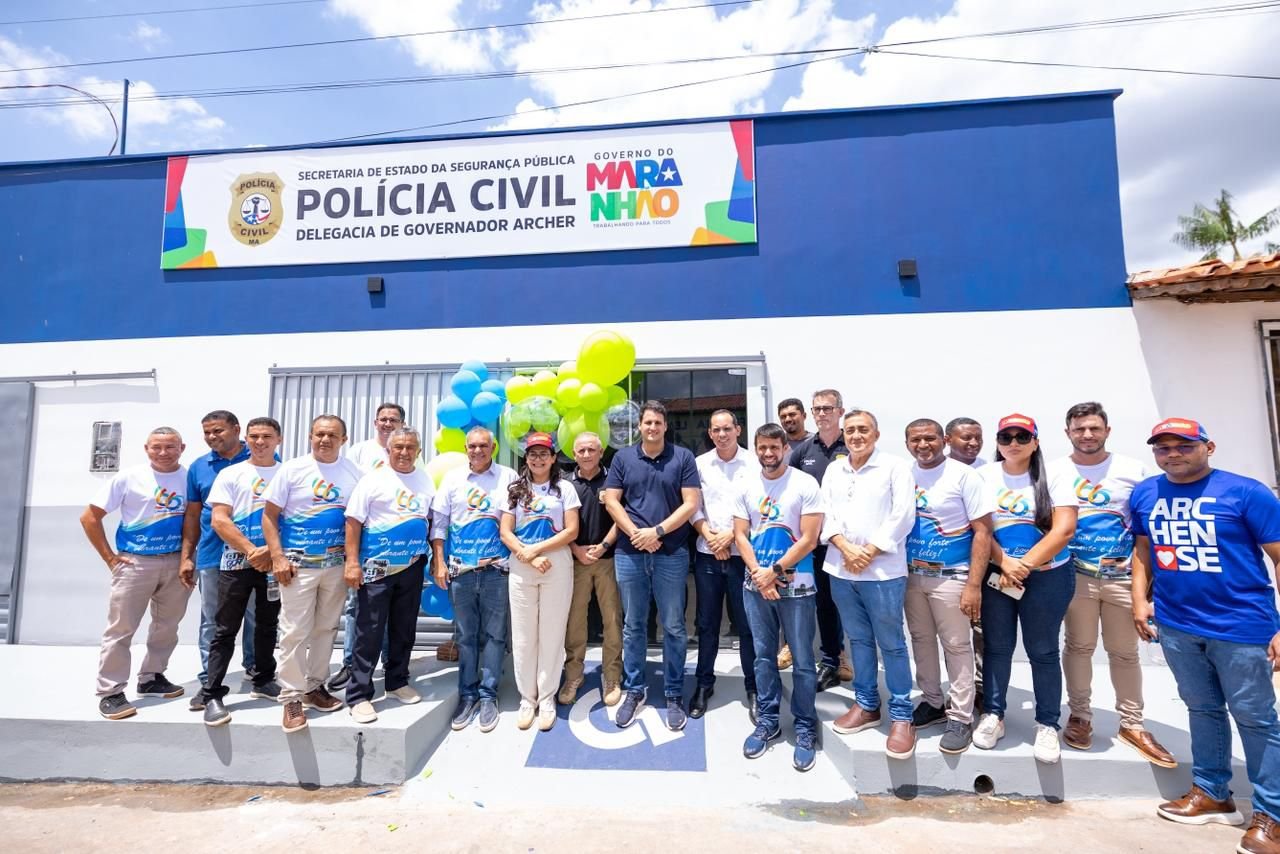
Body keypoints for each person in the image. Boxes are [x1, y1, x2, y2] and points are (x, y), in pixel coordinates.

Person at [1131, 418, 1280, 853]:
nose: (1173, 453)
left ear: (1208, 447)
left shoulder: (1246, 492)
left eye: (1183, 445)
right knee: (1202, 709)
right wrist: (1139, 601)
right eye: (1163, 447)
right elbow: (1143, 551)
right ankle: (1213, 793)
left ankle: (1272, 816)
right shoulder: (1146, 493)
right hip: (1177, 625)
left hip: (1241, 627)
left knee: (1256, 719)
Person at [1054, 402, 1175, 767]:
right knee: (1078, 647)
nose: (1087, 435)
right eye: (1079, 429)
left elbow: (1148, 532)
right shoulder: (1055, 470)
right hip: (1076, 576)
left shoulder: (1133, 471)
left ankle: (1132, 724)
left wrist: (1151, 584)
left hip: (1123, 578)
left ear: (1107, 431)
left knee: (1124, 653)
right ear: (1068, 433)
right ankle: (1080, 716)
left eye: (1094, 428)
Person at [974, 413, 1078, 764]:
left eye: (1022, 437)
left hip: (1048, 576)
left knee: (1043, 651)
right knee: (997, 648)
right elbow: (979, 529)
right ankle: (994, 714)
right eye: (1006, 437)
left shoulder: (1057, 475)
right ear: (998, 442)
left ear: (1035, 442)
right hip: (999, 576)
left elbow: (1064, 529)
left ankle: (1047, 723)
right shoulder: (984, 476)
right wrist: (1005, 562)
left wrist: (1023, 565)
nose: (1014, 443)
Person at [822, 410, 917, 759]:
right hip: (842, 569)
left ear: (876, 434)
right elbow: (825, 512)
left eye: (863, 429)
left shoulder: (895, 468)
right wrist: (846, 548)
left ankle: (902, 715)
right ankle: (866, 704)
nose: (856, 436)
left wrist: (870, 550)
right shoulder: (835, 470)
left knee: (891, 644)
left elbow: (903, 515)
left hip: (883, 573)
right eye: (850, 431)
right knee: (858, 640)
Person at [81, 427, 194, 720]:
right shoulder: (129, 477)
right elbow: (89, 517)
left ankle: (151, 677)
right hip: (135, 563)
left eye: (170, 447)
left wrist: (187, 558)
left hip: (176, 562)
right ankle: (110, 691)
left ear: (182, 448)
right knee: (121, 629)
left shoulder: (190, 478)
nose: (163, 453)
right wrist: (109, 557)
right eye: (156, 447)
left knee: (167, 626)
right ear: (146, 448)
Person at [602, 400, 701, 731]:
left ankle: (673, 692)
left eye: (658, 422)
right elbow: (612, 501)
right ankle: (634, 689)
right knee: (633, 625)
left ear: (665, 426)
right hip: (629, 554)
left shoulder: (682, 457)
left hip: (671, 553)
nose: (653, 428)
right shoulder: (623, 458)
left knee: (673, 626)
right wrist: (636, 534)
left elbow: (691, 503)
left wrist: (657, 532)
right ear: (640, 426)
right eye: (648, 422)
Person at [262, 414, 363, 733]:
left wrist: (352, 561)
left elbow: (358, 520)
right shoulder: (292, 470)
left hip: (335, 566)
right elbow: (269, 516)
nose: (325, 440)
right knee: (294, 631)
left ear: (343, 440)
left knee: (326, 629)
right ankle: (291, 696)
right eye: (319, 434)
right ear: (310, 436)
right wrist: (277, 557)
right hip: (297, 567)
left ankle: (314, 686)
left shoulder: (354, 473)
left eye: (332, 435)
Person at [734, 423, 824, 771]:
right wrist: (760, 574)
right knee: (763, 657)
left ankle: (804, 726)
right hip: (756, 584)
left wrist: (774, 571)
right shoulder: (746, 484)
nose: (768, 453)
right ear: (755, 448)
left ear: (786, 448)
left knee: (802, 660)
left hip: (796, 585)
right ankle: (768, 721)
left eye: (775, 447)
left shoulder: (804, 484)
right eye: (762, 447)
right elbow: (741, 535)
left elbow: (809, 539)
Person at [902, 418, 993, 755]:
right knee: (921, 640)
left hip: (952, 576)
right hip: (912, 575)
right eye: (915, 440)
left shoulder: (964, 475)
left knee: (956, 645)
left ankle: (961, 716)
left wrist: (973, 585)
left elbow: (983, 532)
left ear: (943, 440)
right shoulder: (903, 474)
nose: (923, 445)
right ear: (907, 444)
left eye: (929, 438)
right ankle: (932, 701)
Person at [342, 426, 433, 724]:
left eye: (410, 447)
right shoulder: (373, 480)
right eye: (399, 447)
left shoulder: (424, 480)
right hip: (376, 569)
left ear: (418, 451)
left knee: (404, 629)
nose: (404, 452)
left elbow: (430, 520)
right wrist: (352, 562)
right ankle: (359, 695)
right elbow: (353, 522)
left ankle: (396, 682)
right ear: (389, 450)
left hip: (411, 567)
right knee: (369, 631)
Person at [198, 417, 285, 726]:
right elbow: (219, 519)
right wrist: (251, 550)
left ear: (279, 439)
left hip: (274, 563)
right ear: (246, 439)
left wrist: (271, 552)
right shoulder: (231, 473)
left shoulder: (287, 473)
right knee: (225, 629)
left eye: (267, 436)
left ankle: (263, 679)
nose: (260, 442)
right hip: (236, 562)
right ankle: (212, 693)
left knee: (267, 624)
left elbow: (294, 518)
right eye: (254, 436)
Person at [431, 426, 516, 733]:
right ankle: (467, 695)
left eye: (483, 446)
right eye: (472, 446)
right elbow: (439, 524)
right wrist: (439, 562)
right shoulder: (453, 479)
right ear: (466, 448)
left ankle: (488, 694)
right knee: (466, 637)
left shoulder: (508, 477)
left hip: (496, 572)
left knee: (495, 636)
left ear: (493, 448)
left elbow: (517, 520)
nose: (477, 450)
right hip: (461, 573)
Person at [499, 432, 581, 731]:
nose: (538, 459)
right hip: (522, 563)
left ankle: (546, 698)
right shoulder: (514, 490)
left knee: (551, 633)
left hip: (555, 562)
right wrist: (528, 554)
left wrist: (537, 550)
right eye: (532, 454)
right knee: (523, 636)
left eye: (543, 453)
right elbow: (505, 531)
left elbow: (571, 531)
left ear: (553, 457)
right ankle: (527, 698)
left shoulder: (564, 489)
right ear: (526, 458)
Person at [330, 402, 406, 693]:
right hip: (364, 542)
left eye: (393, 420)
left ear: (401, 424)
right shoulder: (359, 451)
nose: (387, 423)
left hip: (393, 545)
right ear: (375, 422)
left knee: (391, 609)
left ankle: (388, 663)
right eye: (383, 419)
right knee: (356, 606)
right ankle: (351, 664)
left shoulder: (407, 451)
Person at [180, 410, 254, 710]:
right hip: (213, 554)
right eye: (207, 432)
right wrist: (187, 556)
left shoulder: (262, 458)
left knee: (257, 616)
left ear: (236, 429)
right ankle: (208, 680)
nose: (212, 437)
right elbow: (193, 515)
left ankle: (256, 671)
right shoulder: (199, 467)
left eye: (218, 431)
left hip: (255, 554)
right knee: (212, 619)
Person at [689, 409, 758, 721]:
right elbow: (692, 506)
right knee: (707, 624)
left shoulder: (754, 463)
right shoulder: (700, 464)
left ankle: (754, 687)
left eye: (727, 429)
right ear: (710, 433)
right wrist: (709, 536)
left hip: (743, 556)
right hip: (708, 553)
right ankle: (704, 683)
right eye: (716, 430)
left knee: (747, 625)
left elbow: (760, 508)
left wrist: (732, 537)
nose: (722, 434)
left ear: (738, 430)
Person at [787, 389, 852, 688]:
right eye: (817, 409)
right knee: (821, 603)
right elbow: (789, 492)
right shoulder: (803, 451)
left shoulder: (852, 445)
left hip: (845, 543)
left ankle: (843, 658)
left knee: (844, 604)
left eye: (828, 408)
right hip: (811, 543)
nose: (822, 414)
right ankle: (828, 661)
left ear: (840, 411)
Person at [560, 432, 623, 708]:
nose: (586, 455)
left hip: (608, 559)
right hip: (575, 561)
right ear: (574, 454)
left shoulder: (614, 480)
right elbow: (558, 522)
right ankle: (574, 675)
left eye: (591, 450)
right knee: (574, 621)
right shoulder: (564, 484)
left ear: (601, 452)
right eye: (581, 451)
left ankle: (612, 676)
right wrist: (576, 549)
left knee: (612, 620)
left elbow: (623, 516)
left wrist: (604, 544)